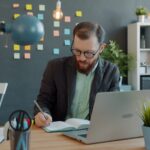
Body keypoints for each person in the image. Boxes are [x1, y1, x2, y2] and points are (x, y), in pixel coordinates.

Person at [34, 21, 120, 127]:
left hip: (92, 134)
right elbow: (43, 101)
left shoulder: (111, 72)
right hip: (58, 133)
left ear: (101, 48)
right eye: (77, 51)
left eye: (88, 53)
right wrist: (42, 114)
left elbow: (114, 110)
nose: (81, 58)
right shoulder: (55, 67)